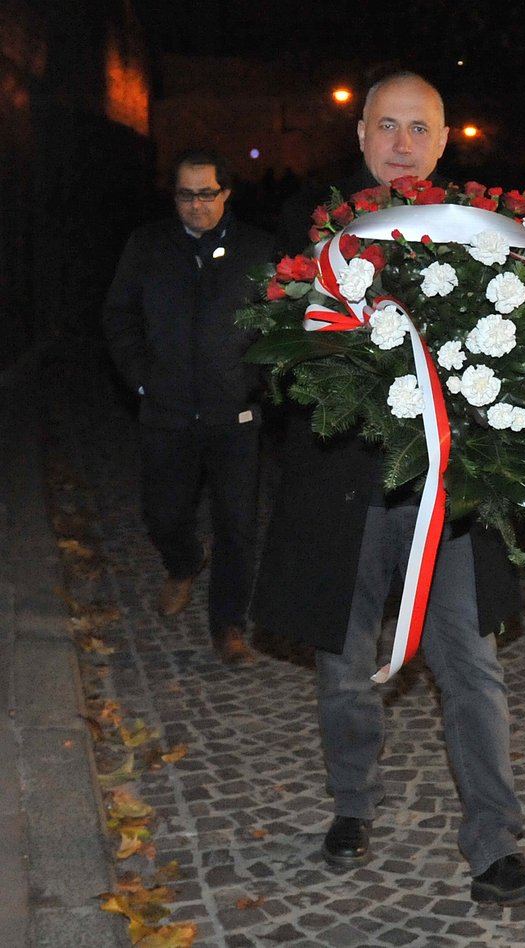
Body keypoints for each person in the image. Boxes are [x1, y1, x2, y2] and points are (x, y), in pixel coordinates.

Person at [252, 72, 525, 905]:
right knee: (345, 665)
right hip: (345, 492)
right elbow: (287, 356)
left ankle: (495, 846)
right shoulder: (316, 233)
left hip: (450, 500)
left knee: (471, 666)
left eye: (418, 128)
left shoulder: (481, 237)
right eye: (385, 126)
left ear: (445, 137)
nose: (401, 144)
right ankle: (353, 803)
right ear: (360, 139)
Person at [103, 147, 274, 664]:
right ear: (173, 195)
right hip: (166, 412)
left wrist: (255, 382)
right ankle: (183, 562)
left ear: (226, 193)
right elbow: (119, 316)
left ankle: (228, 627)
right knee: (164, 515)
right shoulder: (147, 246)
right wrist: (141, 382)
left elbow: (285, 325)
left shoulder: (259, 249)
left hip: (234, 416)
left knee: (238, 526)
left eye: (206, 194)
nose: (196, 205)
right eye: (185, 195)